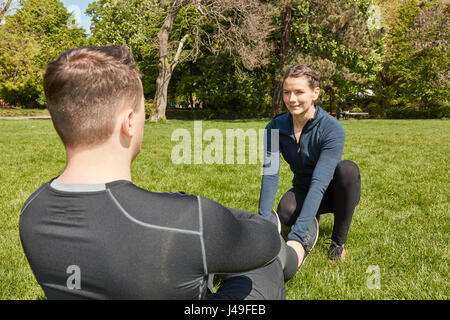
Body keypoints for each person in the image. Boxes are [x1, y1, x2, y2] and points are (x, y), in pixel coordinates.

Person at [19, 46, 298, 300]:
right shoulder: (186, 220)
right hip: (216, 242)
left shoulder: (31, 211)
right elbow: (266, 243)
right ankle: (297, 252)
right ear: (129, 122)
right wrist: (202, 211)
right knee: (266, 265)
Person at [259, 64, 361, 267]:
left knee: (348, 170)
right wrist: (262, 224)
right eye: (287, 92)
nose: (292, 99)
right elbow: (270, 174)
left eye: (299, 92)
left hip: (335, 191)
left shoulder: (332, 129)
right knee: (286, 212)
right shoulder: (275, 127)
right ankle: (311, 218)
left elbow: (320, 182)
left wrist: (297, 237)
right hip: (304, 187)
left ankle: (337, 243)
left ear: (315, 93)